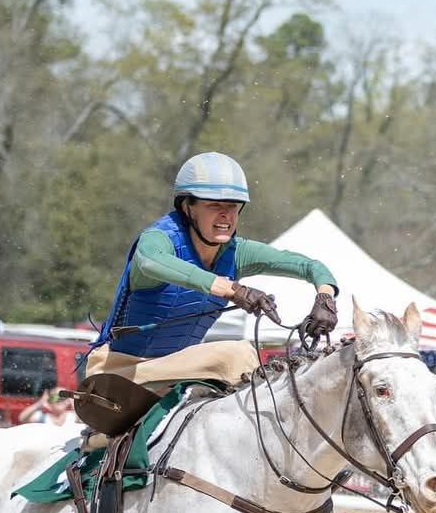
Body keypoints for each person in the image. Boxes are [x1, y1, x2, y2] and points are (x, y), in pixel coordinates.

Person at [87, 152, 339, 388]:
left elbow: (313, 267)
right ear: (187, 207)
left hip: (178, 372)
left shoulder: (238, 252)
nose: (225, 215)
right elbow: (149, 261)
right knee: (238, 354)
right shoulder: (158, 238)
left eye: (232, 206)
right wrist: (232, 289)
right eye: (214, 205)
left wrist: (325, 298)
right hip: (121, 372)